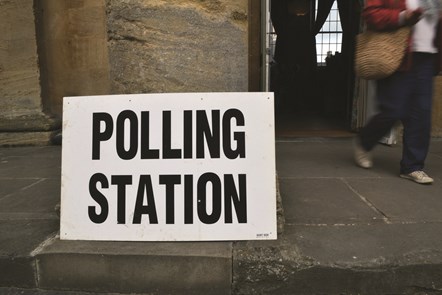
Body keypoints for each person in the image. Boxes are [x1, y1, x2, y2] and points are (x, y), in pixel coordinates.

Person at [354, 0, 442, 184]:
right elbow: (371, 14)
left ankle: (413, 167)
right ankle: (365, 141)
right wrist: (403, 17)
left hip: (427, 58)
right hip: (397, 54)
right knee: (393, 110)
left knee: (421, 114)